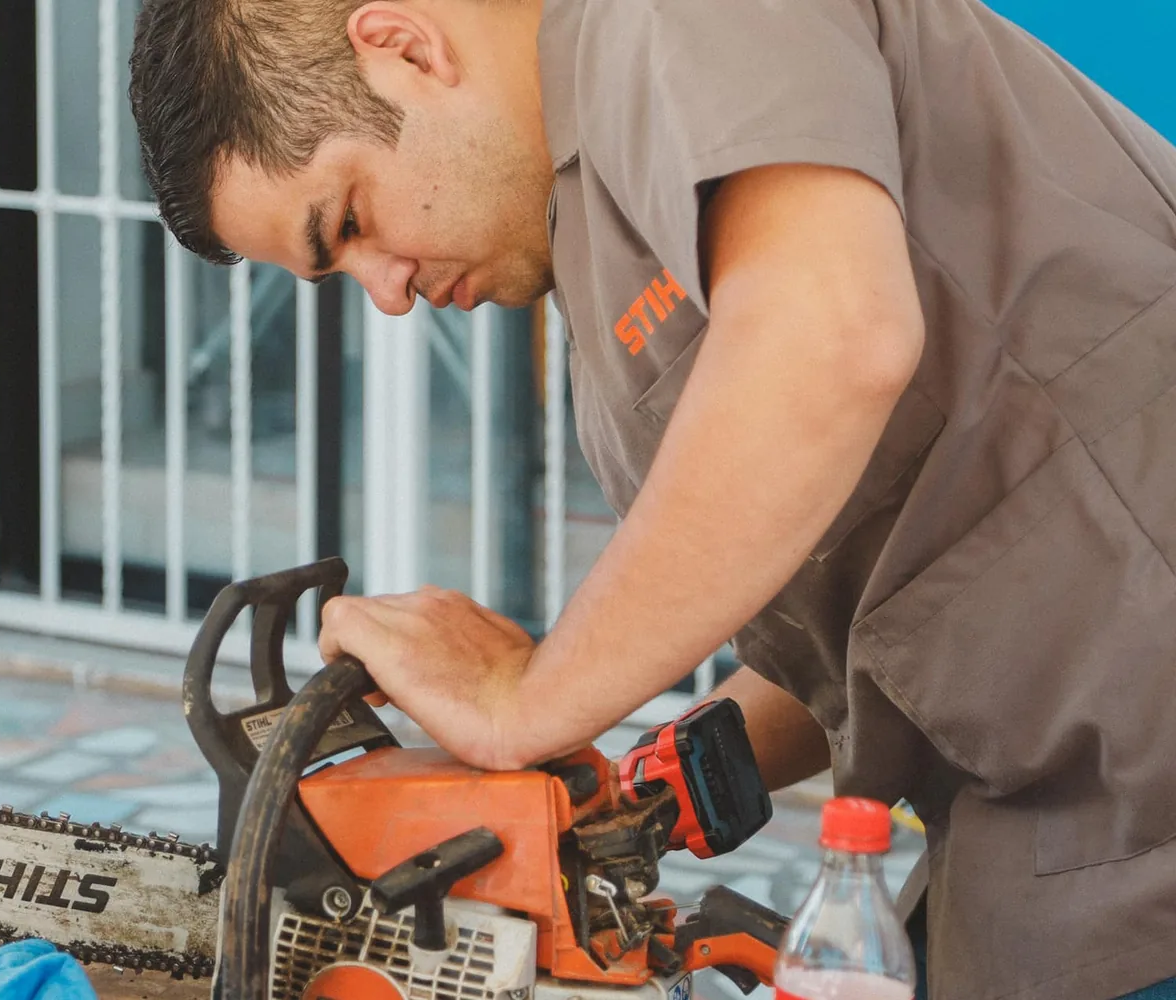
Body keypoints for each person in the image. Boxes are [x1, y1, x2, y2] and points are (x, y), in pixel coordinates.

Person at [127, 0, 1176, 997]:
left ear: (404, 47)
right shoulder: (599, 231)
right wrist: (628, 796)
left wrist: (527, 701)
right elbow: (905, 589)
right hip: (1051, 857)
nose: (388, 293)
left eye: (350, 221)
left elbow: (834, 336)